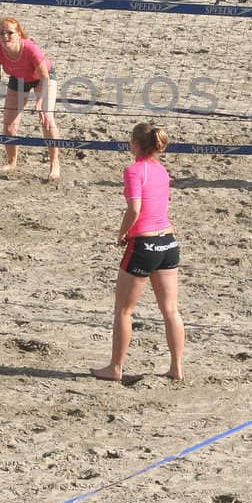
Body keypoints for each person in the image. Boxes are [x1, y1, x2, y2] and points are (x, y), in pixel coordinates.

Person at [93, 122, 184, 382]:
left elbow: (135, 209)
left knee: (124, 310)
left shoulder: (135, 171)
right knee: (171, 310)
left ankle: (115, 368)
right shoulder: (162, 170)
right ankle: (177, 369)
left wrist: (122, 233)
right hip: (168, 242)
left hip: (144, 245)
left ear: (134, 144)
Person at [0, 16, 62, 180]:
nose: (5, 36)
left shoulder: (30, 49)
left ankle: (54, 164)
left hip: (43, 78)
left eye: (10, 33)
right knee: (9, 125)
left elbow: (44, 78)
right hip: (18, 78)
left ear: (19, 34)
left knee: (47, 118)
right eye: (1, 32)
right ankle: (12, 162)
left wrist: (41, 102)